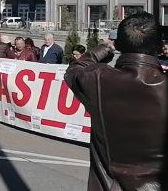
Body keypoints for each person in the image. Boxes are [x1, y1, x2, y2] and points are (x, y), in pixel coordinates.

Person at [64, 13, 166, 190]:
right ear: (159, 47)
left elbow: (74, 70)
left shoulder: (98, 79)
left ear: (119, 45)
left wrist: (103, 49)